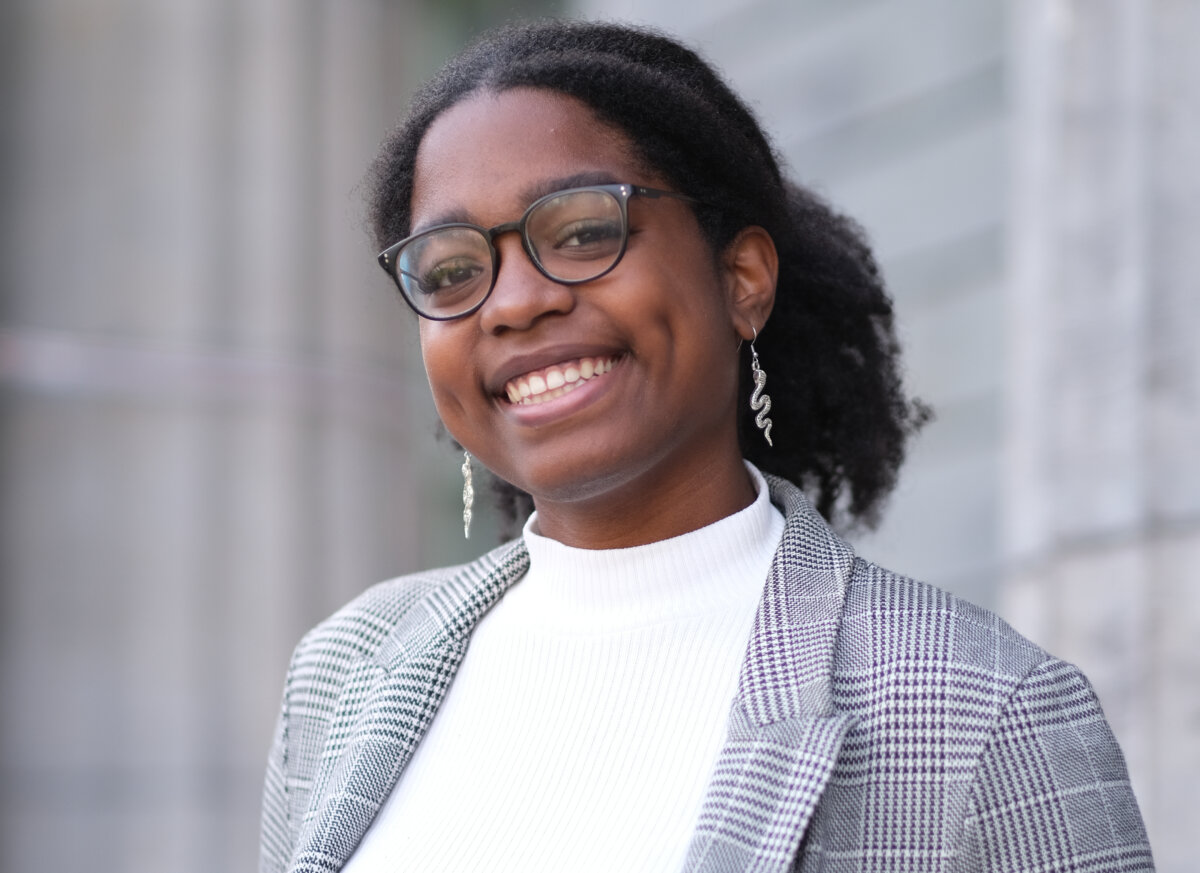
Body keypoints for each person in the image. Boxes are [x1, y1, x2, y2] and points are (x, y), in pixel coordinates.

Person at [259, 19, 1153, 873]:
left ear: (742, 279)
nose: (513, 302)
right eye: (452, 270)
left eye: (582, 232)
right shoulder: (344, 674)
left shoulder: (984, 714)